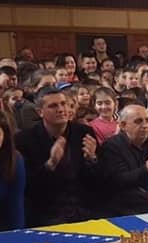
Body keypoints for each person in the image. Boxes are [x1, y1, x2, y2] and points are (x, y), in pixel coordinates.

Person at [15, 86, 101, 226]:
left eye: (63, 104)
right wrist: (51, 163)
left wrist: (92, 159)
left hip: (83, 206)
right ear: (40, 112)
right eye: (53, 106)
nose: (61, 109)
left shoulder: (84, 132)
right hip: (46, 208)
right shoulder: (24, 139)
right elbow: (29, 187)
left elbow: (99, 179)